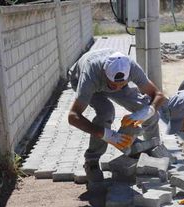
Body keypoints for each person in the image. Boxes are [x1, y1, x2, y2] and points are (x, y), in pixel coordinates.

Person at [67, 49, 167, 183]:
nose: (117, 88)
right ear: (104, 73)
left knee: (146, 108)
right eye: (113, 85)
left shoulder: (130, 67)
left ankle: (153, 151)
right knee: (106, 112)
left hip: (107, 80)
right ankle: (91, 162)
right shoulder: (90, 75)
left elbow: (158, 95)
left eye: (122, 84)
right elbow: (73, 116)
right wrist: (107, 135)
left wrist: (148, 111)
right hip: (80, 79)